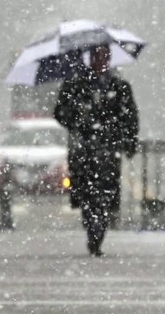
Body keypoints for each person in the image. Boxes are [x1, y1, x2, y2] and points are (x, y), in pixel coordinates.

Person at [53, 44, 139, 257]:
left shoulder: (119, 87)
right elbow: (60, 113)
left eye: (105, 56)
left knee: (104, 196)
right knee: (87, 196)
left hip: (108, 152)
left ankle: (97, 232)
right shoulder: (74, 85)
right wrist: (80, 119)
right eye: (97, 56)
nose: (101, 61)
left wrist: (127, 142)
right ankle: (93, 230)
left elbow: (130, 118)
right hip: (83, 152)